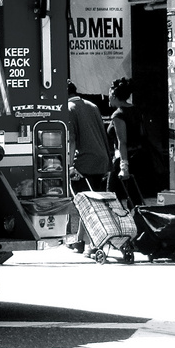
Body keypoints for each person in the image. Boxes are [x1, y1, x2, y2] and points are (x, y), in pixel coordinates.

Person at [63, 81, 110, 252]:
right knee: (90, 202)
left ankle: (91, 244)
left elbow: (72, 140)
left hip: (84, 162)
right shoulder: (93, 106)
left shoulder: (68, 108)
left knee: (85, 204)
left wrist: (69, 166)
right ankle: (79, 241)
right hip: (101, 160)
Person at [106, 77, 160, 200]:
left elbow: (122, 141)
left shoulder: (118, 114)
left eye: (109, 94)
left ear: (113, 95)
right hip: (140, 158)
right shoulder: (137, 110)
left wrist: (124, 166)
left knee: (111, 195)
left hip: (125, 158)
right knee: (135, 197)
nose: (108, 98)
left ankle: (117, 219)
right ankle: (137, 218)